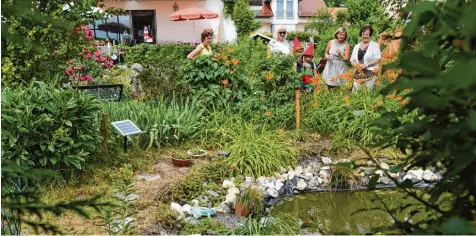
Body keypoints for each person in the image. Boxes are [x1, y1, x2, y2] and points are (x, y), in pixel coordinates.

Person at [350, 26, 381, 92]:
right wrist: (356, 66)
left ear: (370, 35)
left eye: (367, 34)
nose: (365, 36)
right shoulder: (356, 46)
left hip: (370, 72)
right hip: (358, 72)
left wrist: (366, 65)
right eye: (363, 34)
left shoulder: (375, 45)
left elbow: (378, 59)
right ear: (361, 35)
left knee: (367, 92)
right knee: (355, 92)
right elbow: (351, 60)